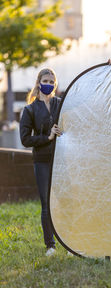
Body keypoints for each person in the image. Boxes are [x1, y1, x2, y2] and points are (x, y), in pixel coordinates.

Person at [20, 68, 62, 256]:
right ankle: (50, 245)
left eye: (52, 82)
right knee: (46, 203)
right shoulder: (30, 110)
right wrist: (47, 137)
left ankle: (68, 243)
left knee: (64, 202)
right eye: (46, 81)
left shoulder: (61, 104)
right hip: (42, 161)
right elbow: (25, 140)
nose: (49, 85)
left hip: (62, 159)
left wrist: (109, 66)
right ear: (39, 83)